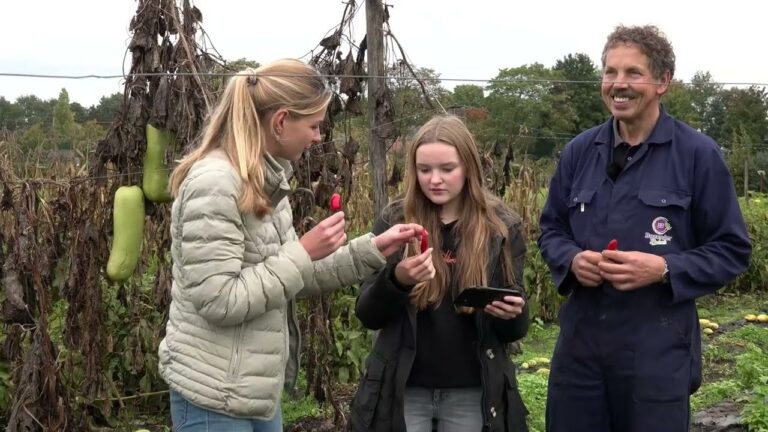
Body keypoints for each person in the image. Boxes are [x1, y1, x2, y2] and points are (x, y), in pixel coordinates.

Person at [158, 59, 424, 431]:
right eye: (313, 126)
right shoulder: (216, 183)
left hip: (254, 390)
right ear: (281, 121)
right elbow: (218, 299)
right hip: (212, 395)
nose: (318, 137)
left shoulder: (264, 177)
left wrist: (375, 249)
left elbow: (295, 275)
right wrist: (303, 251)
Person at [538, 25, 752, 432]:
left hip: (656, 351)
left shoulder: (697, 155)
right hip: (580, 352)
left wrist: (664, 269)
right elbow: (551, 229)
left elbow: (731, 249)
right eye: (610, 72)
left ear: (662, 81)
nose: (619, 84)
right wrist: (571, 259)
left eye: (633, 73)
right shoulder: (580, 152)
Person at [349, 115, 530, 432]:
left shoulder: (500, 227)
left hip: (473, 392)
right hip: (404, 391)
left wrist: (511, 313)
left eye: (447, 169)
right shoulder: (396, 222)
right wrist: (398, 281)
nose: (435, 179)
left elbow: (515, 331)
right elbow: (368, 314)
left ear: (469, 168)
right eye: (424, 170)